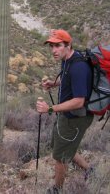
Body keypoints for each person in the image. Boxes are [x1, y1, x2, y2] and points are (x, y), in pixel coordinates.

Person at [36, 29, 94, 194]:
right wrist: (54, 84)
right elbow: (67, 79)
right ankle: (89, 170)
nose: (54, 50)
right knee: (61, 146)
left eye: (58, 46)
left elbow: (79, 101)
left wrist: (50, 109)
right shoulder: (67, 60)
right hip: (67, 114)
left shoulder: (79, 67)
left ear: (68, 45)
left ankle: (57, 189)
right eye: (52, 46)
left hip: (76, 118)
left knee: (60, 157)